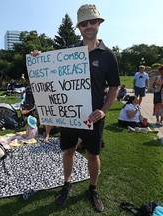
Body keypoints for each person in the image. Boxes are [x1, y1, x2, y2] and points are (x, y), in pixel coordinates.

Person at [32, 4, 120, 212]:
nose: (89, 26)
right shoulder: (69, 52)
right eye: (84, 23)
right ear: (79, 27)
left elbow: (115, 86)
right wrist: (38, 59)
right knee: (68, 151)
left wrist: (105, 110)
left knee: (93, 155)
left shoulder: (108, 55)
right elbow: (51, 72)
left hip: (93, 116)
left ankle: (93, 188)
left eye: (92, 21)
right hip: (69, 116)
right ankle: (67, 183)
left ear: (99, 23)